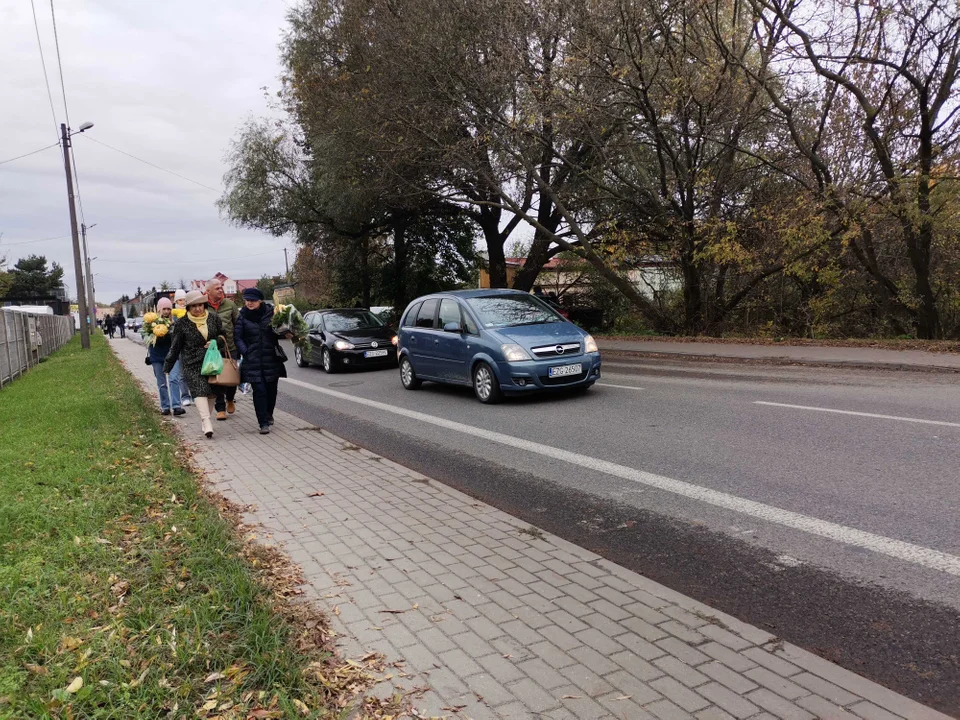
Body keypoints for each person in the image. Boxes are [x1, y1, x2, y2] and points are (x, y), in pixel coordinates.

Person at [163, 290, 226, 439]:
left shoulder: (214, 318)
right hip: (192, 363)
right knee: (199, 391)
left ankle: (205, 420)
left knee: (211, 391)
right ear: (188, 308)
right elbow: (175, 346)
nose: (198, 309)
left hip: (211, 361)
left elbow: (224, 336)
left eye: (200, 305)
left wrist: (217, 341)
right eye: (194, 306)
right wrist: (168, 366)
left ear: (204, 305)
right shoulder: (182, 323)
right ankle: (206, 421)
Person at [234, 288, 290, 435]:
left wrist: (288, 332)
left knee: (271, 390)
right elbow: (238, 337)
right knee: (259, 391)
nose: (249, 303)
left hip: (271, 358)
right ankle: (263, 422)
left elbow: (280, 331)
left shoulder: (272, 314)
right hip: (252, 360)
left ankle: (269, 413)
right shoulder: (242, 317)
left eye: (252, 300)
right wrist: (245, 351)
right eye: (247, 300)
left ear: (260, 301)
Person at [206, 279, 239, 422]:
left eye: (221, 287)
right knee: (217, 379)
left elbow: (238, 324)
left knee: (232, 377)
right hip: (213, 349)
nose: (221, 290)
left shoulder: (230, 304)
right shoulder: (203, 306)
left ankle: (230, 399)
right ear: (208, 291)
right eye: (217, 288)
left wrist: (240, 344)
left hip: (230, 347)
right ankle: (220, 408)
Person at [147, 298, 185, 417]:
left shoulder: (175, 323)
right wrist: (154, 334)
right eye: (164, 309)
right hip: (157, 355)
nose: (167, 311)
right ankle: (165, 406)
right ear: (159, 309)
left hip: (172, 355)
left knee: (174, 379)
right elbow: (146, 337)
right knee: (162, 383)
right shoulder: (151, 323)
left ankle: (176, 406)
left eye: (169, 308)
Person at [171, 289, 192, 406]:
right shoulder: (173, 314)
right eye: (180, 300)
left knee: (193, 371)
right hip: (180, 346)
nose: (182, 302)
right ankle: (185, 396)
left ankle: (195, 394)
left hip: (191, 346)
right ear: (176, 301)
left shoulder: (191, 311)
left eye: (184, 300)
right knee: (182, 373)